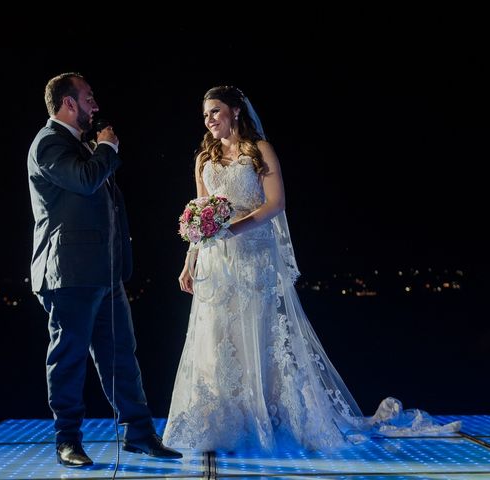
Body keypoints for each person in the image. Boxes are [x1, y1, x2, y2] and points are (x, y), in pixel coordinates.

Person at [163, 85, 460, 453]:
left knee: (256, 334)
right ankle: (225, 422)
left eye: (215, 112)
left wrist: (232, 228)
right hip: (216, 263)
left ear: (236, 112)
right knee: (218, 338)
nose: (209, 120)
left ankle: (264, 417)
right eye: (205, 114)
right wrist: (190, 259)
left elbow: (275, 204)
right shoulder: (203, 158)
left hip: (254, 258)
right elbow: (200, 211)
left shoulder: (260, 151)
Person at [27, 72, 182, 467]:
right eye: (89, 98)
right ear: (68, 104)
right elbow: (84, 181)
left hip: (105, 272)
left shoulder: (85, 145)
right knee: (68, 358)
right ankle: (67, 441)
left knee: (121, 356)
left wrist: (101, 150)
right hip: (69, 273)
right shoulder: (48, 144)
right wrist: (107, 149)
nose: (95, 105)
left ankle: (140, 434)